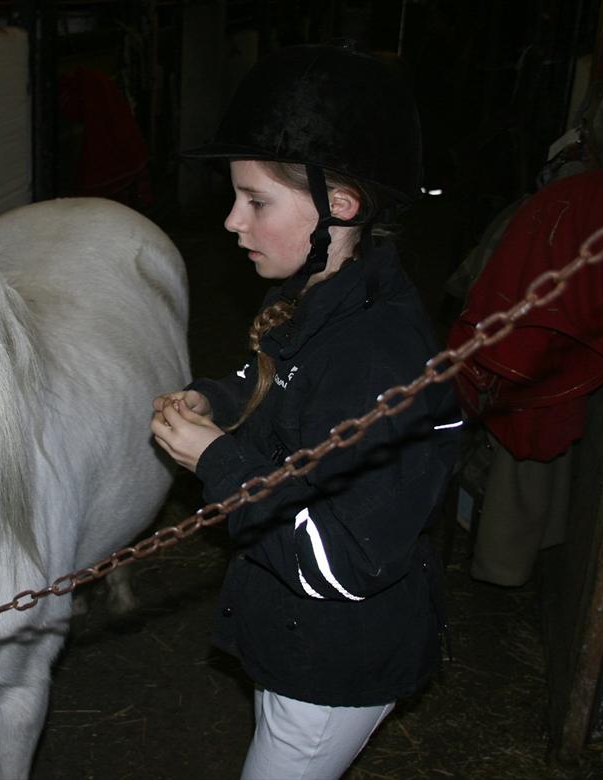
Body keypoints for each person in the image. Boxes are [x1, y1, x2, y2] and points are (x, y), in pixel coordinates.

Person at [150, 44, 462, 779]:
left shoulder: (380, 359)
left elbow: (339, 563)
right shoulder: (310, 298)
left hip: (333, 654)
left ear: (340, 206)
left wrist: (215, 459)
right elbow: (269, 385)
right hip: (289, 629)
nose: (232, 221)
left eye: (256, 201)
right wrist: (216, 400)